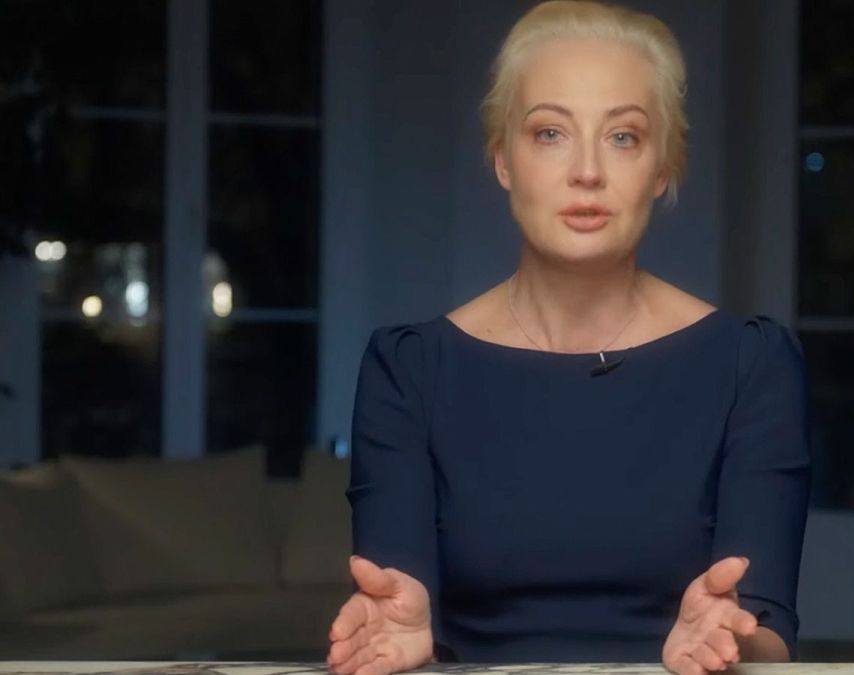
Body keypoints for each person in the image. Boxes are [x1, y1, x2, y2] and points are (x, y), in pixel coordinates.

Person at [325, 2, 811, 673]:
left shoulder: (751, 365)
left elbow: (768, 630)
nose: (587, 170)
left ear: (662, 169)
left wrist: (731, 641)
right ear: (503, 159)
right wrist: (407, 639)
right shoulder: (408, 369)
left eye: (623, 137)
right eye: (550, 133)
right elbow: (396, 602)